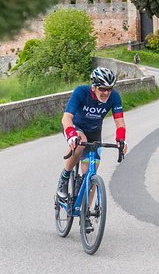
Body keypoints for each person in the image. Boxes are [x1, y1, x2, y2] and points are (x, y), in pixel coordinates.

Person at [55, 66, 128, 203]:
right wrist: (71, 135)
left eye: (109, 89)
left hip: (94, 131)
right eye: (102, 89)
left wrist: (121, 140)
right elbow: (66, 118)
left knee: (91, 174)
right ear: (93, 87)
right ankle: (64, 179)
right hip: (75, 127)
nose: (106, 92)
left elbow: (120, 123)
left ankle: (86, 214)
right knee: (80, 143)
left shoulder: (114, 97)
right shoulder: (81, 92)